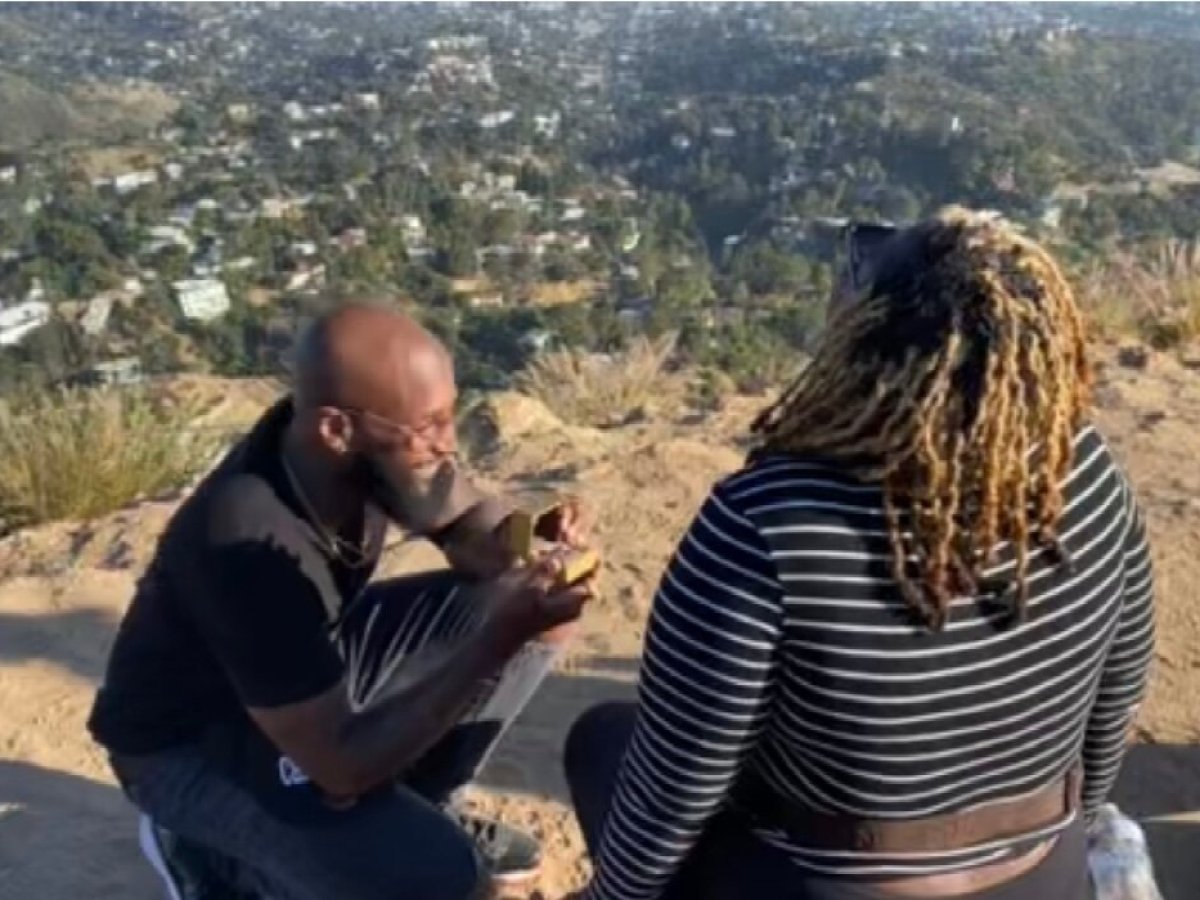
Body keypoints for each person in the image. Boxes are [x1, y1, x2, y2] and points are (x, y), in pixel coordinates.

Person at [564, 207, 1156, 900]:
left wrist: (611, 898)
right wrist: (1059, 839)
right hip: (1041, 879)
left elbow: (677, 784)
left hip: (824, 886)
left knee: (601, 739)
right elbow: (1115, 698)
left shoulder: (765, 523)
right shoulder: (1084, 474)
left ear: (863, 340)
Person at [88, 303, 596, 900]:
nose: (448, 442)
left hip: (293, 678)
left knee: (524, 603)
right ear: (337, 429)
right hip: (190, 745)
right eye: (428, 426)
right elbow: (341, 767)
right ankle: (211, 859)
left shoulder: (356, 456)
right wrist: (497, 639)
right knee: (441, 880)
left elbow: (468, 531)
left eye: (450, 414)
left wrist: (530, 536)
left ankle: (424, 803)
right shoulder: (245, 541)